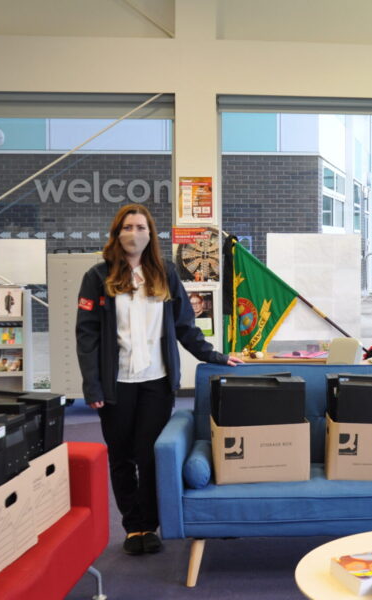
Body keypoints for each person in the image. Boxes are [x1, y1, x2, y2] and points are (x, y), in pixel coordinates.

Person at [76, 203, 241, 556]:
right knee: (122, 458)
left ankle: (149, 524)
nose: (134, 233)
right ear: (116, 233)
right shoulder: (97, 276)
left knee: (149, 455)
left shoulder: (164, 272)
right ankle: (132, 526)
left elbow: (184, 326)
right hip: (116, 383)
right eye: (127, 227)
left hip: (157, 382)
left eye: (140, 227)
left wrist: (214, 355)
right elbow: (86, 336)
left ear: (150, 234)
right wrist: (92, 384)